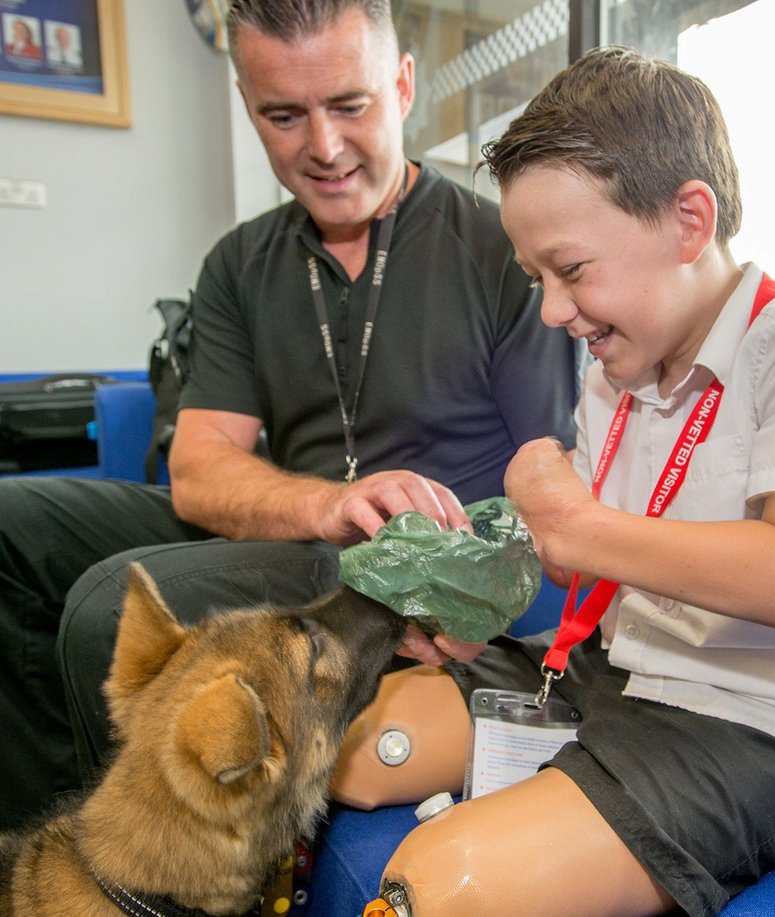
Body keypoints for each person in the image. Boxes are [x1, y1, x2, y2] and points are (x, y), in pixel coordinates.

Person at [330, 47, 775, 917]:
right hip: (610, 666)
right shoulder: (615, 376)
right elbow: (586, 570)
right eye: (536, 280)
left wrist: (576, 525)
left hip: (760, 720)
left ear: (688, 220)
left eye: (570, 271)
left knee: (443, 884)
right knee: (347, 741)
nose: (554, 313)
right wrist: (478, 584)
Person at [0, 0, 579, 833]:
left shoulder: (499, 249)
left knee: (110, 607)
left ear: (404, 85)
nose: (325, 146)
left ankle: (145, 879)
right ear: (247, 104)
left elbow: (549, 484)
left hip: (409, 571)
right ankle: (44, 847)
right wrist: (323, 504)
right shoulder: (239, 264)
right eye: (284, 114)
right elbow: (198, 469)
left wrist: (466, 591)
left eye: (350, 105)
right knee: (10, 527)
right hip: (291, 534)